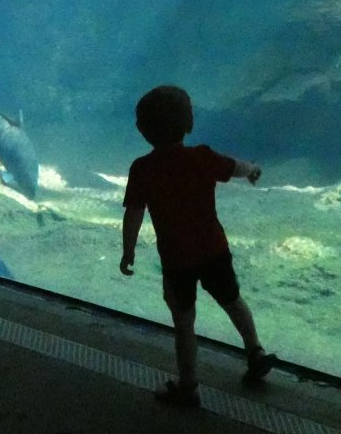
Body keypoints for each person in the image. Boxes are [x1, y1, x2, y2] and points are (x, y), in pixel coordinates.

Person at [119, 85, 279, 408]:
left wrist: (129, 251)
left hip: (177, 261)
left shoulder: (143, 169)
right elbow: (234, 167)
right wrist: (252, 169)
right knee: (234, 301)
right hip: (214, 252)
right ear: (189, 124)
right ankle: (255, 351)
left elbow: (133, 214)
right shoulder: (201, 158)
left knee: (184, 322)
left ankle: (188, 387)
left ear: (143, 130)